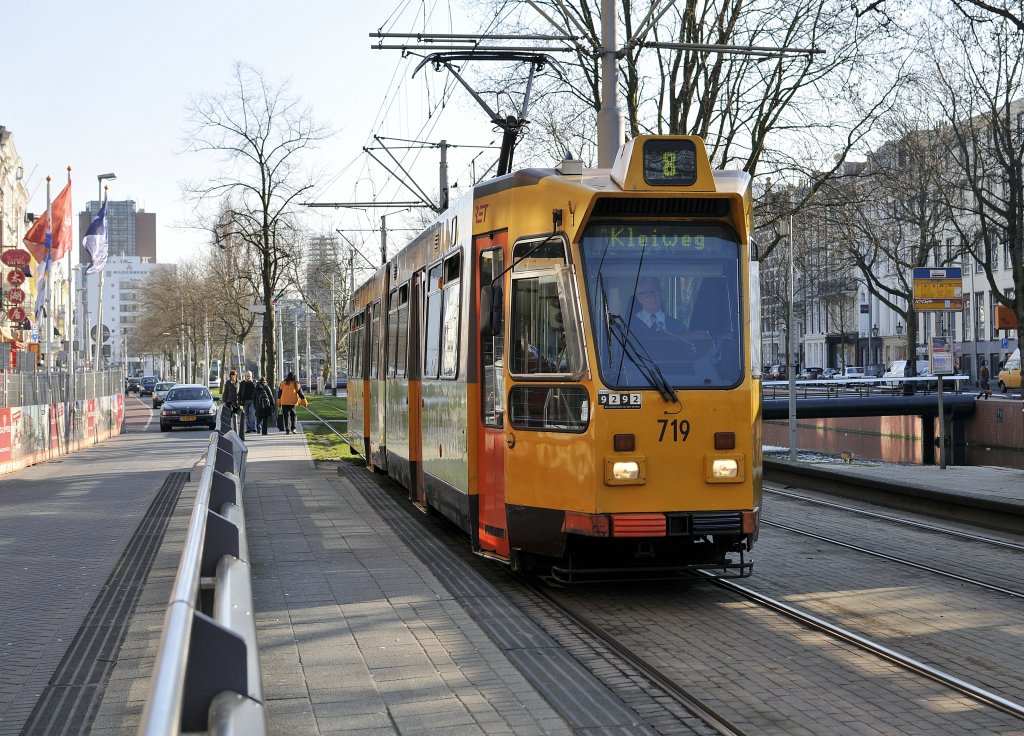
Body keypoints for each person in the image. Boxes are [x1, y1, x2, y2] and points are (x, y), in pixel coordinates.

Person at [239, 370, 257, 437]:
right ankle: (248, 428)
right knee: (246, 414)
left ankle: (253, 427)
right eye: (247, 376)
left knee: (252, 413)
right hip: (245, 400)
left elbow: (256, 390)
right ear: (245, 376)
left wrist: (252, 382)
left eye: (249, 376)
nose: (248, 377)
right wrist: (240, 402)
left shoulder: (254, 382)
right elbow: (240, 393)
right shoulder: (242, 383)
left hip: (252, 400)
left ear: (251, 376)